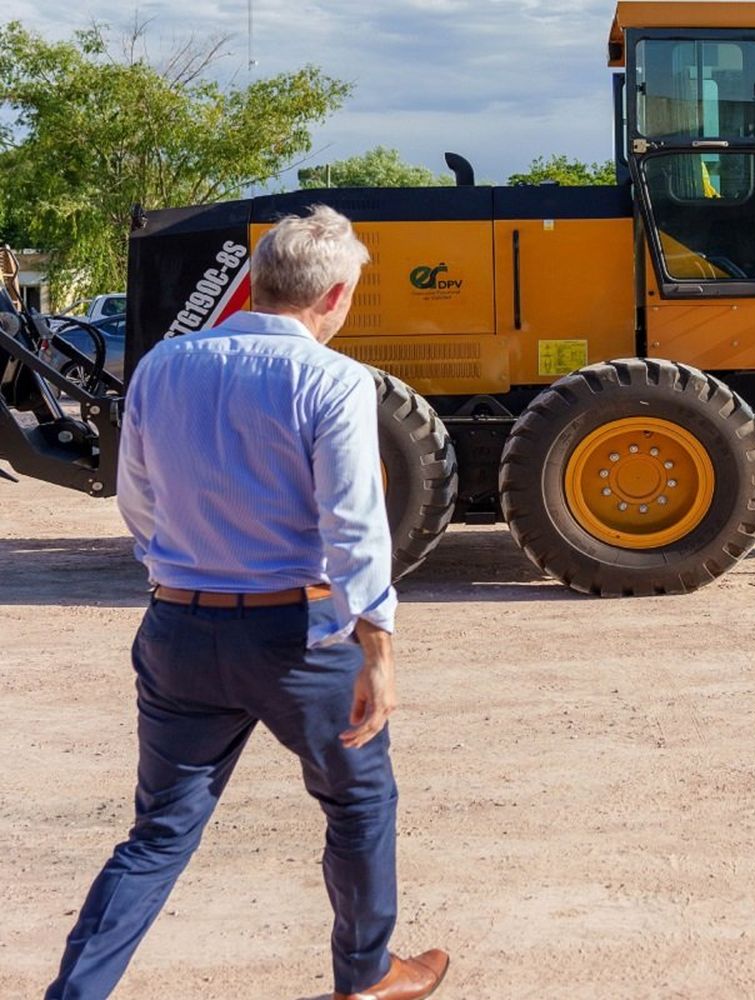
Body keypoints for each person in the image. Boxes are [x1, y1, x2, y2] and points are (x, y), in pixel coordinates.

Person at [46, 206, 448, 1000]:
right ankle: (365, 975)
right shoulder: (333, 380)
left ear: (259, 283)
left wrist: (183, 572)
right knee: (359, 803)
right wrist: (380, 650)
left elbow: (140, 499)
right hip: (299, 637)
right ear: (333, 296)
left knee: (160, 832)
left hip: (180, 628)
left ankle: (75, 994)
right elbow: (355, 524)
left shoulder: (161, 367)